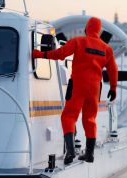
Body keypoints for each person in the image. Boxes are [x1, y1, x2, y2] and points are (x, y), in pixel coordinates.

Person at [32, 17, 118, 165]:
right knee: (90, 120)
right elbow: (113, 69)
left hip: (78, 85)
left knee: (69, 117)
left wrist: (40, 55)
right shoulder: (107, 49)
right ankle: (89, 154)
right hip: (95, 89)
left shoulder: (78, 41)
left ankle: (70, 152)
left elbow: (60, 54)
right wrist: (113, 88)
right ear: (99, 31)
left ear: (87, 29)